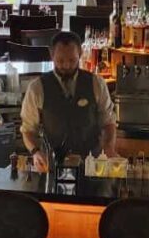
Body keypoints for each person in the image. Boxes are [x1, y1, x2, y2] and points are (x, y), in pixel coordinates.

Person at [20, 30, 118, 172]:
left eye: (72, 60)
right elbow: (28, 129)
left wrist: (109, 147)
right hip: (53, 165)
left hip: (92, 165)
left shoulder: (97, 83)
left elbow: (108, 122)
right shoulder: (37, 88)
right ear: (52, 55)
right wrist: (36, 152)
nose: (66, 65)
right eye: (60, 61)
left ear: (80, 54)